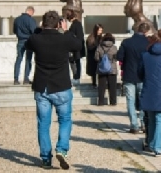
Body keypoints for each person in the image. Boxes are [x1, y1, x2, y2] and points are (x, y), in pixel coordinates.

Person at [25, 10, 83, 170]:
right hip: (61, 85)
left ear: (43, 24)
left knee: (43, 124)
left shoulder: (36, 39)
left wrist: (39, 29)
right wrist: (66, 31)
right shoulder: (64, 38)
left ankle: (45, 158)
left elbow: (28, 43)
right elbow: (79, 45)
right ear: (59, 23)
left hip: (42, 86)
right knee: (65, 120)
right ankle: (61, 149)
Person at [117, 21, 151, 134]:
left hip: (129, 74)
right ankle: (143, 123)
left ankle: (134, 125)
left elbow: (119, 56)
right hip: (143, 75)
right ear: (146, 31)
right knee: (143, 100)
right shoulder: (148, 43)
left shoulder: (127, 42)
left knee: (130, 101)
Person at [13, 6, 37, 85]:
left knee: (19, 59)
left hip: (20, 40)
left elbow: (14, 31)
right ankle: (26, 79)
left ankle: (16, 79)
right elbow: (34, 31)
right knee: (28, 59)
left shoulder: (17, 20)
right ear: (31, 12)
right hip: (29, 41)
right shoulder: (31, 20)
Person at [95, 32, 118, 106]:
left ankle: (101, 102)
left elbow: (96, 58)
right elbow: (116, 58)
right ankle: (113, 102)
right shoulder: (114, 47)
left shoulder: (99, 47)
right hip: (112, 69)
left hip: (102, 69)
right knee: (112, 86)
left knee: (101, 87)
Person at [65, 9, 85, 86]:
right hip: (77, 46)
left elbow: (75, 36)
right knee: (76, 62)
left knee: (76, 62)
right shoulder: (77, 24)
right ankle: (76, 77)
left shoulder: (75, 25)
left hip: (76, 47)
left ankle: (77, 77)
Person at [85, 24, 103, 88]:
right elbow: (89, 47)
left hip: (99, 56)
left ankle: (99, 83)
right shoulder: (91, 37)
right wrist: (96, 46)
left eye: (101, 30)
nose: (100, 32)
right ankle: (94, 83)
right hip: (92, 56)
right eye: (99, 30)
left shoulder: (101, 38)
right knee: (94, 71)